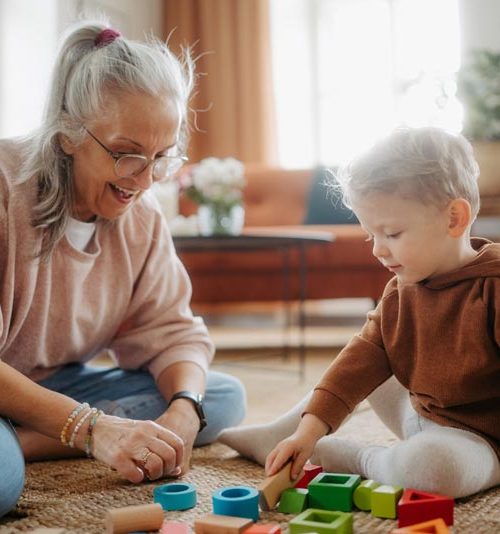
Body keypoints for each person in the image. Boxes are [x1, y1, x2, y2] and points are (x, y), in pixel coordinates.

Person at [0, 20, 246, 517]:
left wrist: (182, 412)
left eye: (162, 156)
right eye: (127, 153)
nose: (145, 178)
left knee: (216, 397)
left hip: (58, 385)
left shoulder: (143, 215)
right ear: (69, 132)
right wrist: (90, 429)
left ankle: (25, 441)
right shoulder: (6, 191)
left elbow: (172, 331)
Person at [218, 127, 500, 499]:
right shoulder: (402, 288)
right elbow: (358, 362)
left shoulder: (492, 286)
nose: (378, 251)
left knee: (434, 471)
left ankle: (361, 458)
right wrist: (309, 431)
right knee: (361, 364)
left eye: (392, 234)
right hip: (420, 413)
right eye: (371, 236)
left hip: (478, 441)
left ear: (454, 219)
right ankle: (286, 432)